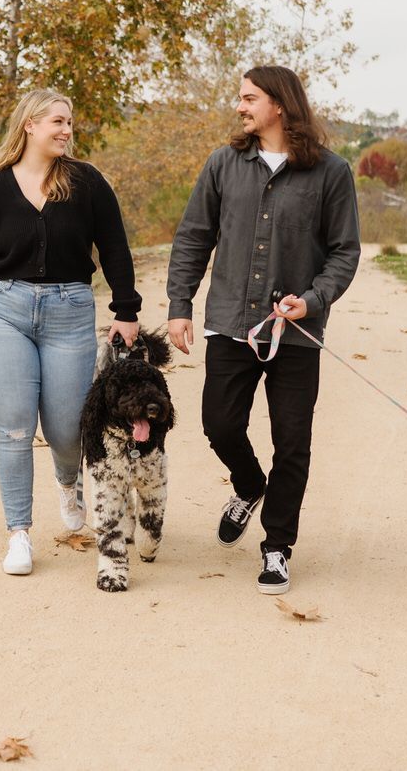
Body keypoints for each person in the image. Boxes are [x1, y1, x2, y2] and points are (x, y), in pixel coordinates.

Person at [165, 66, 360, 594]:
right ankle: (249, 485)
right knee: (219, 425)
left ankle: (277, 547)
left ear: (279, 104)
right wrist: (179, 304)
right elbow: (193, 237)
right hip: (231, 323)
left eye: (248, 98)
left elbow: (345, 251)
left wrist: (314, 299)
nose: (239, 106)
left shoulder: (331, 173)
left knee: (292, 442)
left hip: (296, 333)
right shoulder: (223, 164)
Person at [0, 89, 141, 576]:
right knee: (13, 428)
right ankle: (18, 534)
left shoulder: (87, 183)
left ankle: (67, 482)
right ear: (29, 125)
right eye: (57, 121)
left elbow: (115, 248)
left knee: (64, 430)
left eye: (70, 123)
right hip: (4, 312)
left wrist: (126, 309)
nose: (66, 130)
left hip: (68, 312)